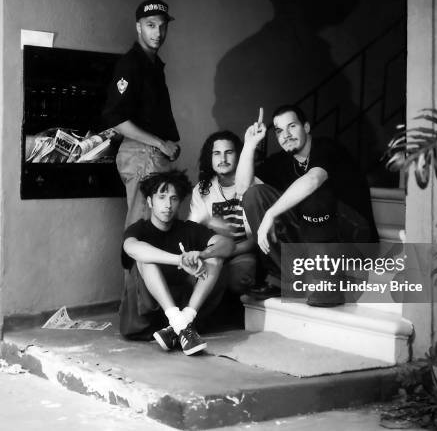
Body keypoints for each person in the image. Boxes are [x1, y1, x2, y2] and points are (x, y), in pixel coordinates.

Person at [235, 105, 378, 303]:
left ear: (307, 127)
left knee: (313, 194)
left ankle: (327, 284)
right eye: (279, 131)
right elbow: (242, 189)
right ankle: (286, 278)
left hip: (352, 236)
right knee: (254, 195)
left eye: (292, 126)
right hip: (313, 237)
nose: (286, 135)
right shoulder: (282, 161)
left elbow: (313, 179)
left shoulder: (327, 147)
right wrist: (249, 145)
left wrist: (271, 214)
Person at [121, 170, 235, 356]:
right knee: (145, 259)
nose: (168, 205)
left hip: (186, 308)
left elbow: (227, 245)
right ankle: (180, 323)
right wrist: (180, 260)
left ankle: (181, 325)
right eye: (162, 197)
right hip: (146, 316)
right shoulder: (139, 229)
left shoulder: (188, 229)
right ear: (150, 202)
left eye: (173, 199)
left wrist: (202, 255)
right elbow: (132, 248)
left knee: (215, 256)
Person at [101, 0, 181, 229]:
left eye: (162, 25)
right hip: (144, 155)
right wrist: (160, 144)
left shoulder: (153, 64)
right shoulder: (131, 64)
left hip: (153, 155)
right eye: (150, 25)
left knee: (155, 231)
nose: (158, 32)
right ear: (138, 26)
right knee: (144, 231)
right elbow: (114, 118)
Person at [188, 131, 260, 299]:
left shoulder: (255, 185)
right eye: (217, 153)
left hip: (242, 251)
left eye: (229, 152)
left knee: (239, 277)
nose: (223, 159)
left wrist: (224, 252)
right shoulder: (201, 189)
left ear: (239, 155)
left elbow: (253, 241)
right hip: (212, 252)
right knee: (194, 277)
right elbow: (194, 230)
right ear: (210, 157)